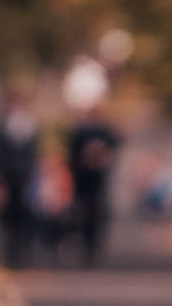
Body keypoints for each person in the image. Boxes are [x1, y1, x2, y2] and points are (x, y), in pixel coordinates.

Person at [0, 91, 40, 268]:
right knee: (7, 216)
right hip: (7, 178)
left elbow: (33, 155)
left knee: (24, 215)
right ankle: (10, 253)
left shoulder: (30, 127)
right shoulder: (0, 127)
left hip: (24, 178)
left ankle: (22, 252)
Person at [66, 108, 120, 265]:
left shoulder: (104, 132)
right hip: (84, 182)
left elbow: (114, 146)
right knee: (83, 215)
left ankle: (93, 248)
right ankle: (86, 246)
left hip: (97, 184)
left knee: (96, 215)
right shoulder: (80, 133)